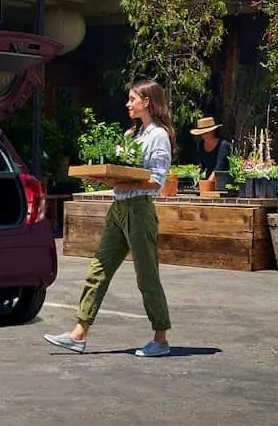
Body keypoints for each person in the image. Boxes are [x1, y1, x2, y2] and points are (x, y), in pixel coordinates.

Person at [44, 79, 174, 357]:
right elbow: (124, 176)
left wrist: (122, 182)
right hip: (119, 208)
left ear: (146, 102)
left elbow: (156, 182)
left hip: (139, 210)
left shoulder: (158, 136)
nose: (128, 104)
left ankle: (160, 339)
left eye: (132, 99)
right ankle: (79, 334)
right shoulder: (133, 136)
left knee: (147, 276)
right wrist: (102, 177)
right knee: (97, 269)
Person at [191, 116, 231, 181]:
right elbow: (201, 164)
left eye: (207, 132)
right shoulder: (201, 145)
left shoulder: (223, 145)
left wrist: (209, 181)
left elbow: (220, 166)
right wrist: (197, 175)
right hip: (208, 180)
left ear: (213, 131)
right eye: (202, 133)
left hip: (222, 182)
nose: (204, 135)